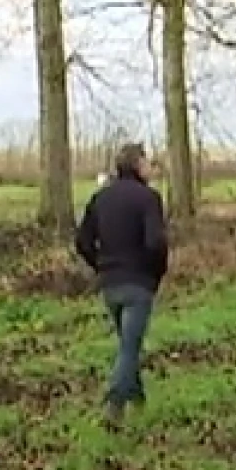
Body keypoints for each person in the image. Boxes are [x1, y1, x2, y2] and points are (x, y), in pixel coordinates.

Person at [75, 143, 170, 427]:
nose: (151, 168)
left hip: (110, 284)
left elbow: (82, 242)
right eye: (147, 162)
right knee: (129, 347)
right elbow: (155, 242)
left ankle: (137, 399)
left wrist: (100, 265)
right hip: (138, 283)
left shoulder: (100, 198)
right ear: (137, 166)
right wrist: (156, 272)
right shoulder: (148, 199)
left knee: (128, 343)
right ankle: (114, 402)